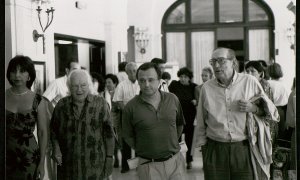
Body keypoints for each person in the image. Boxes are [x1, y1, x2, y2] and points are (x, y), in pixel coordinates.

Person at [193, 47, 278, 180]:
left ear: (233, 62)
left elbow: (271, 114)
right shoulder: (207, 88)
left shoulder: (249, 81)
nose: (216, 65)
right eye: (213, 61)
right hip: (215, 149)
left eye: (221, 61)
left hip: (243, 149)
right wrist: (205, 150)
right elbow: (201, 119)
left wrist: (253, 108)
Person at [122, 62, 186, 180]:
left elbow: (179, 124)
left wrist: (168, 144)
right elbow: (127, 135)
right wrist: (146, 148)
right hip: (148, 165)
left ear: (159, 80)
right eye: (142, 80)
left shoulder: (172, 99)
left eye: (151, 80)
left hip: (175, 162)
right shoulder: (130, 107)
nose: (146, 84)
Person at [50, 69, 114, 180]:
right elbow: (53, 131)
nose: (79, 90)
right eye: (75, 86)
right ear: (69, 87)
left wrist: (109, 158)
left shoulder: (101, 104)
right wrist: (55, 148)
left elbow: (109, 134)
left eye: (83, 85)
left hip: (95, 166)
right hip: (68, 167)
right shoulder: (62, 105)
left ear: (89, 85)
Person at [6, 55, 48, 179]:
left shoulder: (38, 100)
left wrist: (41, 163)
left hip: (29, 157)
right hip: (5, 155)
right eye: (13, 71)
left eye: (22, 71)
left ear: (29, 76)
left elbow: (42, 132)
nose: (17, 75)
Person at [112, 62, 140, 173]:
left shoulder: (141, 83)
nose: (133, 73)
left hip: (140, 115)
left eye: (134, 70)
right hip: (126, 115)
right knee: (126, 141)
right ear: (126, 72)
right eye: (130, 71)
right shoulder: (122, 85)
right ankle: (125, 166)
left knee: (139, 141)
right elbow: (118, 101)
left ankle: (139, 166)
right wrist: (127, 112)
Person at [169, 67, 198, 169]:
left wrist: (195, 101)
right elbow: (168, 96)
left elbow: (199, 100)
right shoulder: (174, 85)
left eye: (185, 77)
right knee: (177, 140)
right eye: (181, 76)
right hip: (177, 117)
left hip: (190, 117)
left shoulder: (194, 87)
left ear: (189, 78)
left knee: (189, 140)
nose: (183, 79)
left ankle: (189, 160)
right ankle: (177, 160)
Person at [268, 63, 290, 140]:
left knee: (269, 134)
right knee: (280, 134)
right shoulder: (285, 84)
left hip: (269, 110)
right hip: (282, 111)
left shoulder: (267, 83)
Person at [104, 74, 120, 167]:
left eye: (109, 82)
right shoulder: (103, 93)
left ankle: (118, 159)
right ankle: (114, 158)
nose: (107, 84)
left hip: (116, 120)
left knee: (118, 140)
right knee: (110, 140)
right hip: (107, 121)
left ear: (115, 83)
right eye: (106, 82)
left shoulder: (118, 93)